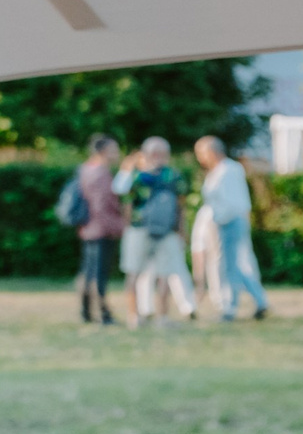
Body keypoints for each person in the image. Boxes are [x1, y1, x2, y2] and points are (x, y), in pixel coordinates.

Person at [124, 138, 197, 325]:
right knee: (164, 275)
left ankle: (134, 317)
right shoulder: (173, 175)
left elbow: (127, 203)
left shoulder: (137, 176)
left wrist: (126, 227)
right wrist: (182, 230)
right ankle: (162, 318)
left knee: (134, 273)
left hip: (138, 229)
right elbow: (181, 206)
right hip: (167, 231)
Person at [195, 136, 269, 321]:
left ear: (211, 152)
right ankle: (259, 301)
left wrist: (219, 222)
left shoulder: (228, 170)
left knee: (228, 266)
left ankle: (229, 307)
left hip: (229, 222)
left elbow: (232, 202)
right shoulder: (221, 171)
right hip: (228, 222)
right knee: (237, 264)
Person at [70, 135, 125, 325]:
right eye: (114, 150)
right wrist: (119, 226)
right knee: (98, 275)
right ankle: (103, 313)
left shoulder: (85, 169)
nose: (117, 154)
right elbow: (103, 206)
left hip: (88, 229)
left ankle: (86, 312)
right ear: (103, 152)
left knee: (88, 272)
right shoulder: (100, 174)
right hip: (102, 230)